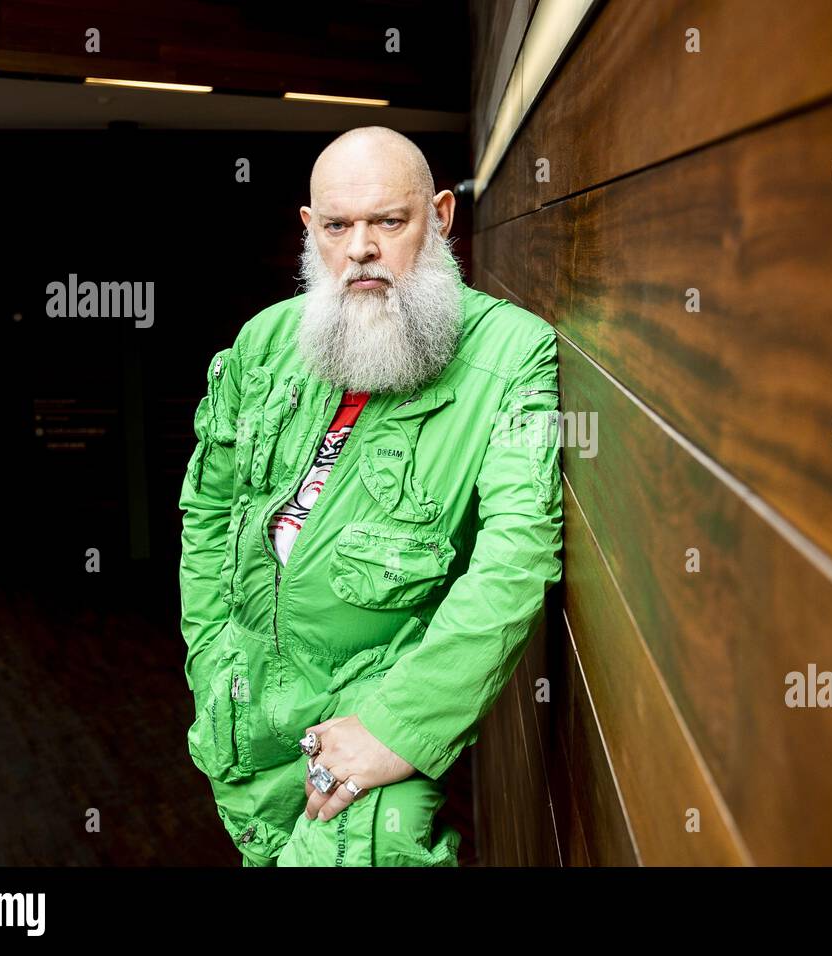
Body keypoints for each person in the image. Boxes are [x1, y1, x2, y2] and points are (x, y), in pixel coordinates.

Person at [178, 126, 563, 866]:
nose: (361, 247)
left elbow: (516, 558)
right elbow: (208, 513)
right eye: (337, 225)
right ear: (309, 229)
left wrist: (398, 725)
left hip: (379, 702)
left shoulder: (514, 354)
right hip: (242, 710)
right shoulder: (263, 342)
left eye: (389, 221)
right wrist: (208, 657)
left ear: (441, 217)